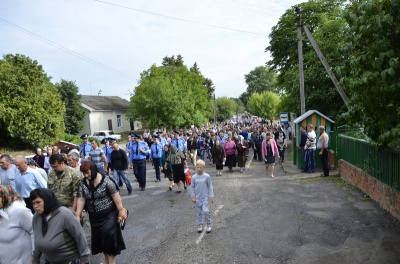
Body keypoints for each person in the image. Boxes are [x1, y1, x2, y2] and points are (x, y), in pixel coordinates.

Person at [76, 161, 127, 264]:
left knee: (108, 237)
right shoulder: (83, 183)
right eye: (84, 173)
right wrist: (77, 214)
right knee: (101, 240)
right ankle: (106, 260)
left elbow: (115, 195)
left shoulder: (106, 181)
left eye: (88, 173)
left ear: (94, 170)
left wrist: (121, 210)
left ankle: (111, 262)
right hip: (94, 218)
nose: (86, 175)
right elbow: (81, 199)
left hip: (110, 215)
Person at [30, 188, 90, 264]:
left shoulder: (65, 215)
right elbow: (38, 240)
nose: (35, 206)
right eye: (33, 203)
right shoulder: (36, 218)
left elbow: (80, 237)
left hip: (69, 260)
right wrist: (35, 259)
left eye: (38, 202)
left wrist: (85, 259)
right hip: (49, 261)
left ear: (47, 200)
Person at [0, 185, 34, 264]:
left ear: (4, 195)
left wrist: (34, 257)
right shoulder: (1, 211)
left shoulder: (20, 211)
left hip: (23, 260)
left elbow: (35, 231)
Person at [190, 160, 214, 233]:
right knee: (198, 212)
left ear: (203, 168)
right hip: (197, 198)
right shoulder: (194, 177)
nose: (199, 169)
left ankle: (208, 224)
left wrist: (211, 196)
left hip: (205, 198)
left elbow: (210, 186)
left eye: (201, 167)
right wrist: (193, 196)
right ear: (195, 167)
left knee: (206, 211)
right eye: (198, 167)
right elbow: (192, 187)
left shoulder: (207, 176)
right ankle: (199, 225)